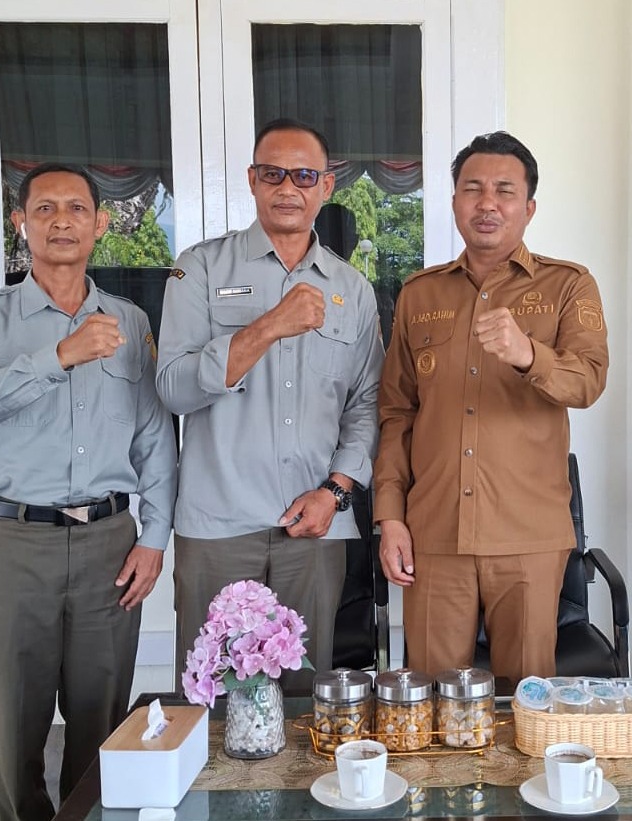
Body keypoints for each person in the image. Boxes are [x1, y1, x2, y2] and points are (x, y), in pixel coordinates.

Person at [0, 163, 177, 821]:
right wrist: (60, 355)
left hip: (110, 544)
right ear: (21, 223)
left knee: (103, 722)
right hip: (14, 544)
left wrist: (155, 536)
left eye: (76, 208)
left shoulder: (130, 320)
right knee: (15, 723)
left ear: (100, 224)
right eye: (44, 209)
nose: (61, 221)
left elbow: (155, 437)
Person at [374, 131, 609, 679]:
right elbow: (397, 414)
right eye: (473, 189)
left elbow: (588, 382)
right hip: (434, 533)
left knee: (526, 702)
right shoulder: (420, 294)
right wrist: (390, 517)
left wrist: (528, 354)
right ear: (454, 201)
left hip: (528, 534)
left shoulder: (568, 285)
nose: (487, 203)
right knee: (432, 700)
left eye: (505, 191)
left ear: (529, 207)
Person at [156, 119, 383, 685]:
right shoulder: (199, 268)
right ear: (252, 181)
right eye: (273, 174)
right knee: (211, 696)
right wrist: (268, 327)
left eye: (304, 176)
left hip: (315, 526)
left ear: (326, 186)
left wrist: (336, 492)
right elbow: (174, 388)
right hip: (218, 525)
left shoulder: (351, 290)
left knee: (306, 698)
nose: (288, 188)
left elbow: (366, 404)